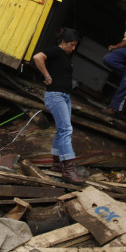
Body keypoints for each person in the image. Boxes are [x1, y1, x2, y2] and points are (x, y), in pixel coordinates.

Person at [33, 29, 84, 184]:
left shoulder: (65, 56)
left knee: (62, 130)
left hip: (64, 96)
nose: (73, 48)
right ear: (63, 42)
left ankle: (56, 165)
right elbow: (37, 57)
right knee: (66, 129)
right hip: (55, 95)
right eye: (71, 45)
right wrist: (47, 76)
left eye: (75, 45)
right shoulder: (56, 51)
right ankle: (68, 171)